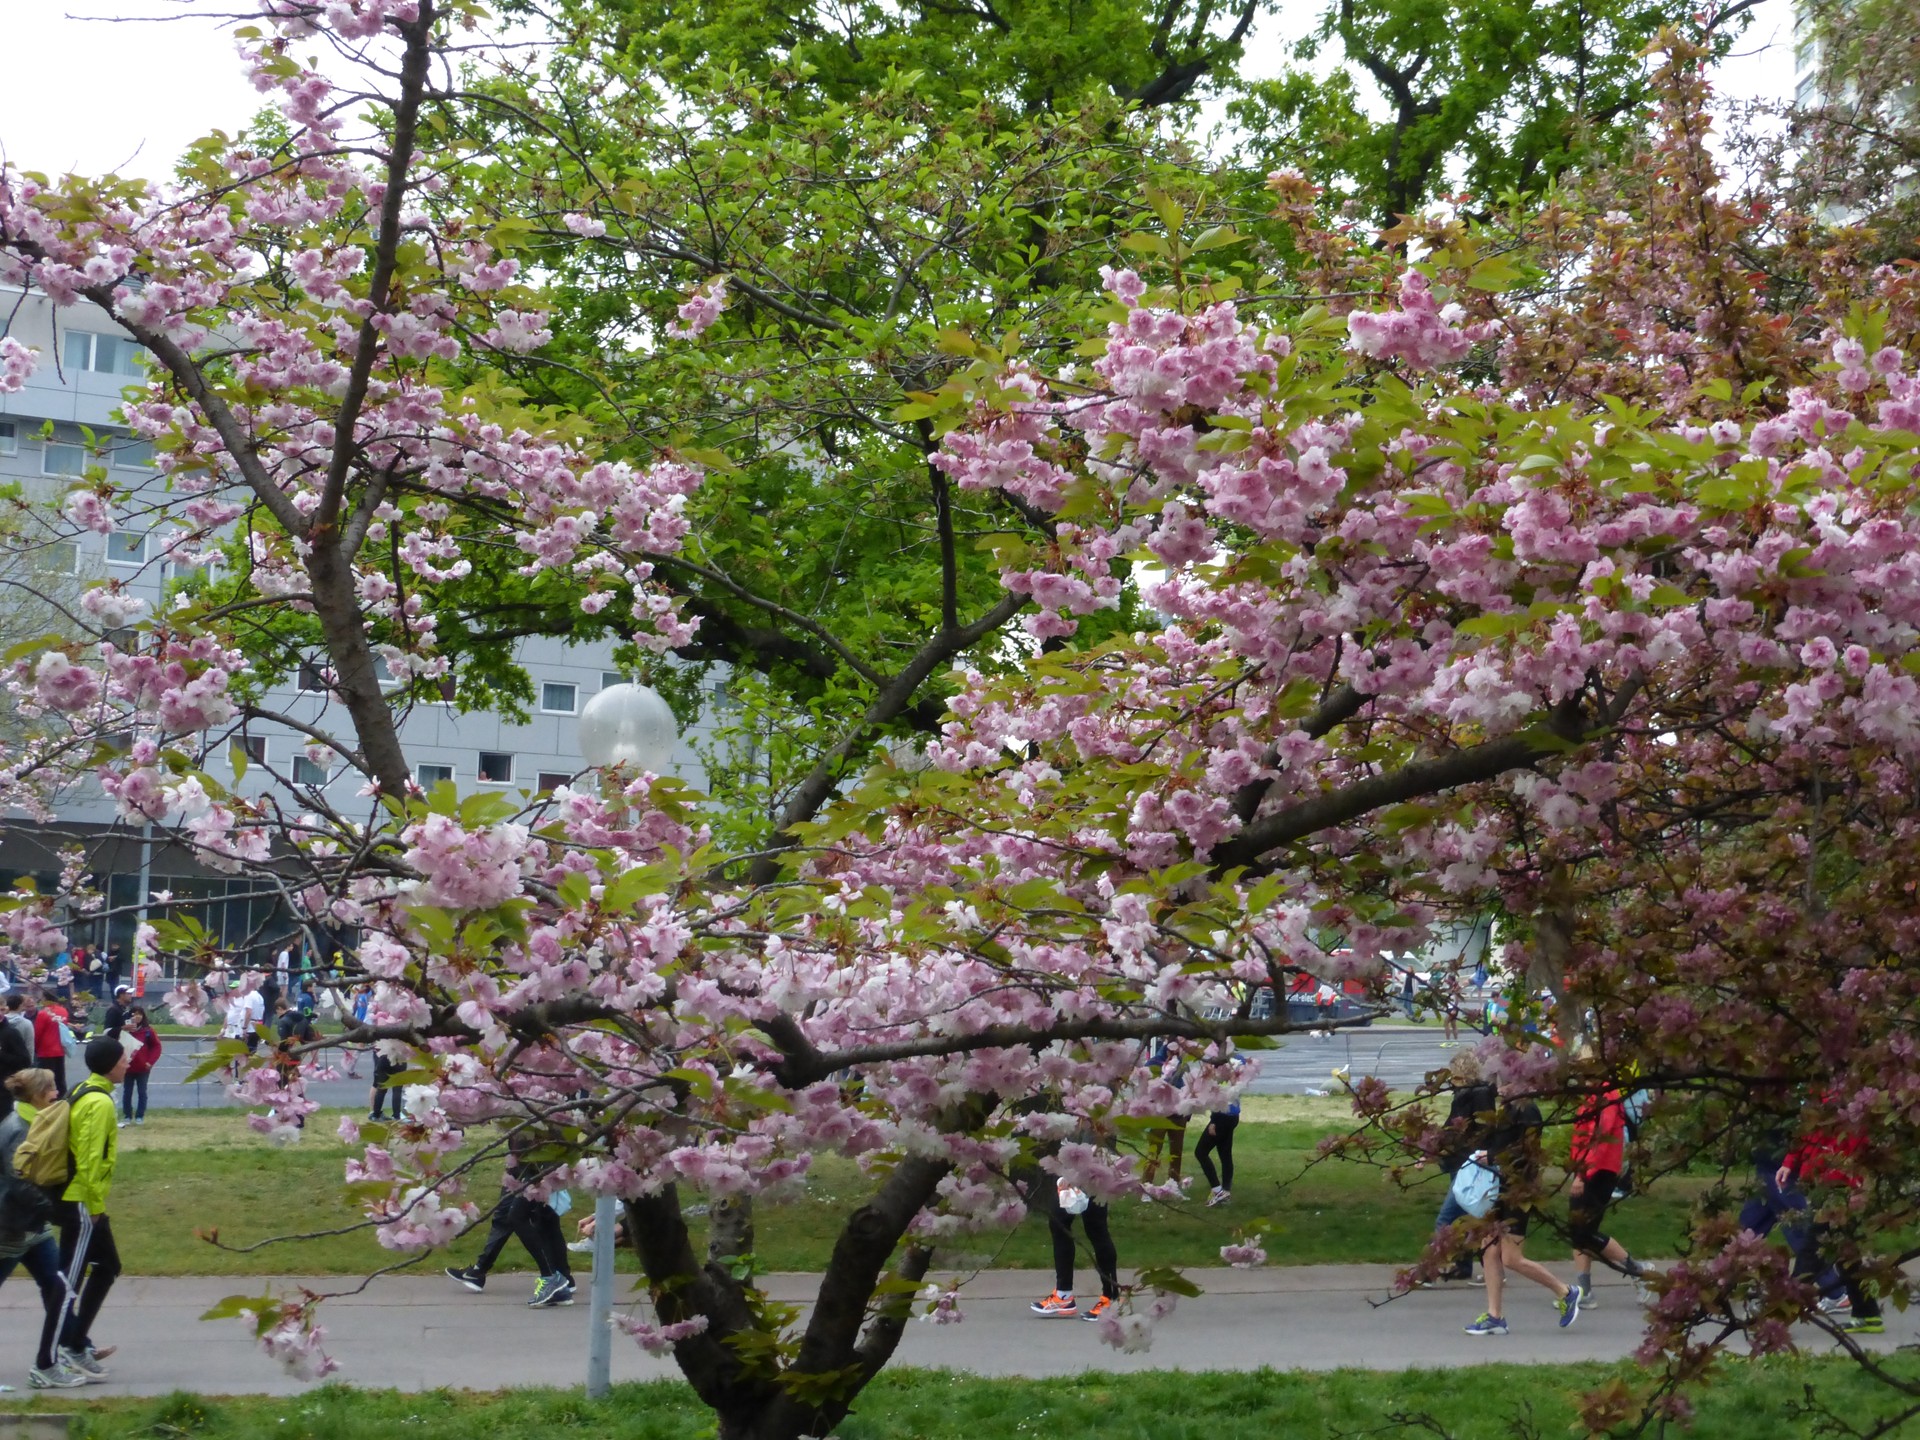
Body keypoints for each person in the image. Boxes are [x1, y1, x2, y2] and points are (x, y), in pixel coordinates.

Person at [1462, 1072, 1582, 1336]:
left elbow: (1526, 1152)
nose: (1500, 1087)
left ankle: (1565, 1291)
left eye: (1505, 1081)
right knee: (1488, 1250)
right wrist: (1485, 1153)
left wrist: (1491, 1156)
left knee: (1512, 1258)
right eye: (1498, 1082)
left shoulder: (1527, 1110)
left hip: (1519, 1189)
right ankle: (1495, 1317)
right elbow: (1500, 1144)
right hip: (1498, 1188)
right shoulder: (1505, 1109)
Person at [0, 1068, 86, 1388]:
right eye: (50, 1088)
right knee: (56, 1286)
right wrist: (55, 1209)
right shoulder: (19, 1129)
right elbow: (19, 1182)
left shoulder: (36, 1122)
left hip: (31, 1227)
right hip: (10, 1227)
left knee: (56, 1287)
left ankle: (73, 1348)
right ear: (37, 1094)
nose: (57, 1092)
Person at [54, 1037, 127, 1379]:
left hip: (83, 1198)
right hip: (83, 1200)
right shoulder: (100, 1102)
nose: (128, 1064)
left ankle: (76, 1339)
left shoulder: (84, 1089)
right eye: (124, 1060)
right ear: (112, 1065)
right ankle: (61, 1351)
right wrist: (94, 1205)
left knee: (107, 1265)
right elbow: (89, 1157)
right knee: (70, 1279)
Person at [1778, 1111, 1883, 1334]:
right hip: (1826, 1184)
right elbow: (1808, 1132)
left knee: (1811, 1252)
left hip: (1840, 1187)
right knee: (1847, 1256)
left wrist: (1855, 1182)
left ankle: (1780, 1314)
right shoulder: (1819, 1097)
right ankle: (1868, 1314)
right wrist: (1790, 1161)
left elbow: (1856, 1141)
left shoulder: (1843, 1100)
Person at [445, 1128, 576, 1306]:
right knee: (539, 1218)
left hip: (538, 1162)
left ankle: (552, 1278)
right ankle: (560, 1281)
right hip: (529, 1161)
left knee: (519, 1217)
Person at [1567, 1081, 1649, 1308]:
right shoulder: (1591, 1094)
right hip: (1587, 1170)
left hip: (1599, 1172)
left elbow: (1600, 1141)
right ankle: (1585, 1290)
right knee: (1578, 1231)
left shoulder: (1607, 1097)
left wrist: (1583, 1174)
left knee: (1584, 1231)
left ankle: (1638, 1270)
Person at [1429, 1050, 1496, 1282]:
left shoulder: (1471, 1096)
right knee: (1469, 1216)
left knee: (1446, 1219)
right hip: (1465, 1162)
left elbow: (1465, 1130)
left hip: (1467, 1164)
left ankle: (1432, 1267)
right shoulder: (1474, 1094)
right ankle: (1467, 1265)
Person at [1195, 1090, 1240, 1207]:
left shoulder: (1220, 1071)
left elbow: (1219, 1094)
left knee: (1201, 1152)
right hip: (1232, 1115)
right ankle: (1225, 1192)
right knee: (1225, 1154)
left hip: (1221, 1117)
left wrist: (1214, 1121)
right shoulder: (1232, 1071)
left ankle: (1218, 1191)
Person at [119, 1009, 160, 1127]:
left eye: (139, 1014)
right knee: (127, 1092)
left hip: (143, 1068)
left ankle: (140, 1116)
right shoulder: (126, 1031)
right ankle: (127, 1115)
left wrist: (150, 1062)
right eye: (134, 1014)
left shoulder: (148, 1031)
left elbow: (156, 1047)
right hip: (127, 1068)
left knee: (142, 1092)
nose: (137, 1017)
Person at [30, 994, 69, 1098]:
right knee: (59, 1077)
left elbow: (37, 1033)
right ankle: (62, 1098)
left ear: (46, 1000)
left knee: (46, 1079)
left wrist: (35, 1048)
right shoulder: (63, 1011)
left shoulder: (42, 1013)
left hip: (45, 1050)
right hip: (60, 1048)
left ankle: (46, 1098)